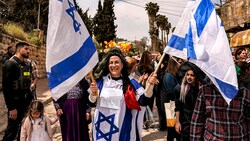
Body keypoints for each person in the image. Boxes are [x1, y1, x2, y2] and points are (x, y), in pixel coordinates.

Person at [89, 47, 158, 141]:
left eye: (116, 62)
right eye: (111, 62)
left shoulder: (130, 82)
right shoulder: (100, 82)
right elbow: (92, 103)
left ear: (122, 65)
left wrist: (150, 86)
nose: (113, 65)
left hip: (123, 128)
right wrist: (93, 94)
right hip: (102, 130)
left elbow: (143, 101)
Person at [2, 42, 33, 141]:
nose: (28, 51)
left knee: (23, 130)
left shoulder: (25, 64)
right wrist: (11, 107)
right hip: (15, 104)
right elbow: (6, 88)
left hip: (25, 103)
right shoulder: (10, 64)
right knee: (12, 131)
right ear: (19, 50)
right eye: (26, 49)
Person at [174, 62, 205, 141]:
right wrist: (177, 122)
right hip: (185, 123)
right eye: (187, 75)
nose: (189, 77)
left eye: (192, 75)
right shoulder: (181, 89)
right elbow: (178, 107)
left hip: (198, 123)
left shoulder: (201, 90)